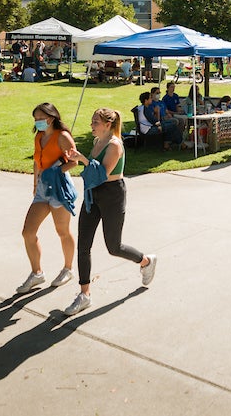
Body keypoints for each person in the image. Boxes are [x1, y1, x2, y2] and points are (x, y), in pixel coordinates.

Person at [62, 107, 157, 316]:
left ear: (107, 125)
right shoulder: (97, 142)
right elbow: (91, 172)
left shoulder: (115, 145)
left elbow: (102, 174)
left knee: (114, 247)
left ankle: (146, 261)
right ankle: (84, 294)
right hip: (93, 195)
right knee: (83, 245)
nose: (91, 125)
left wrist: (84, 160)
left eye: (95, 122)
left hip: (112, 195)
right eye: (92, 121)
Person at [17, 103, 78, 294]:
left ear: (50, 118)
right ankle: (37, 273)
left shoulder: (62, 136)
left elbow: (74, 161)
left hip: (59, 187)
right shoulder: (39, 136)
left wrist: (56, 171)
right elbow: (37, 161)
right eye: (35, 118)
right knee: (28, 232)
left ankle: (68, 269)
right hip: (43, 188)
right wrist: (35, 183)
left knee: (62, 231)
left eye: (39, 118)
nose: (37, 122)